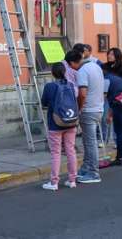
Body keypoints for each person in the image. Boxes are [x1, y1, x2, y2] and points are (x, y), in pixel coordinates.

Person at [67, 49, 105, 183]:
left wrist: (79, 108)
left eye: (70, 65)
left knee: (90, 143)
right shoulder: (95, 66)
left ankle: (93, 173)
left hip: (89, 110)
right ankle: (86, 167)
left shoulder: (82, 71)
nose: (71, 69)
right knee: (88, 141)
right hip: (98, 108)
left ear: (72, 62)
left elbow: (82, 93)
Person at [40, 63, 78, 191]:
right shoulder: (71, 85)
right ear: (64, 72)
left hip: (55, 123)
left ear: (53, 73)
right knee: (70, 150)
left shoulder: (50, 86)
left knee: (56, 153)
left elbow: (44, 103)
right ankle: (72, 180)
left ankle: (54, 182)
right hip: (71, 121)